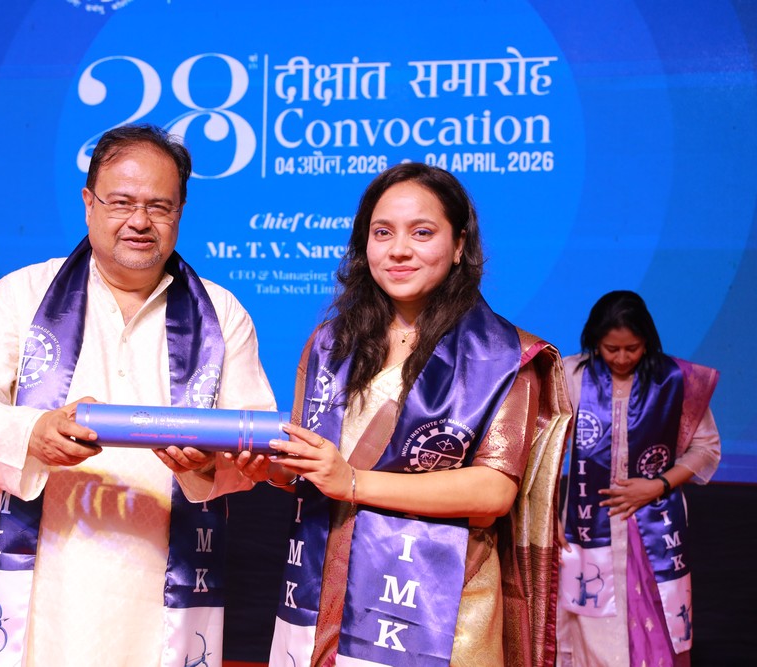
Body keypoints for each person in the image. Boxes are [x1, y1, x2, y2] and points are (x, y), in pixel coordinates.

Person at [0, 124, 276, 667]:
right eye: (121, 202)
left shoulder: (221, 314)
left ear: (180, 212)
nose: (140, 221)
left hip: (159, 595)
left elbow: (254, 438)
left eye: (159, 206)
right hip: (42, 592)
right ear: (89, 203)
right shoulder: (24, 294)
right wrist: (33, 433)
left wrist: (209, 466)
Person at [235, 163, 572, 666]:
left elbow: (492, 492)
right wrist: (273, 469)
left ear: (459, 245)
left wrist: (352, 482)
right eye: (382, 232)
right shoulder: (331, 344)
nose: (398, 250)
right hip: (325, 589)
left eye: (422, 232)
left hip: (441, 611)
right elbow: (309, 467)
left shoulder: (502, 357)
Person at [556, 291, 721, 667]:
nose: (621, 358)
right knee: (591, 615)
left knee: (657, 613)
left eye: (632, 348)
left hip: (653, 521)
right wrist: (550, 514)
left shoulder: (676, 380)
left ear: (647, 340)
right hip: (588, 520)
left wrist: (657, 485)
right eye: (610, 349)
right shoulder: (572, 375)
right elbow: (548, 448)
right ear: (594, 341)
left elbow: (706, 449)